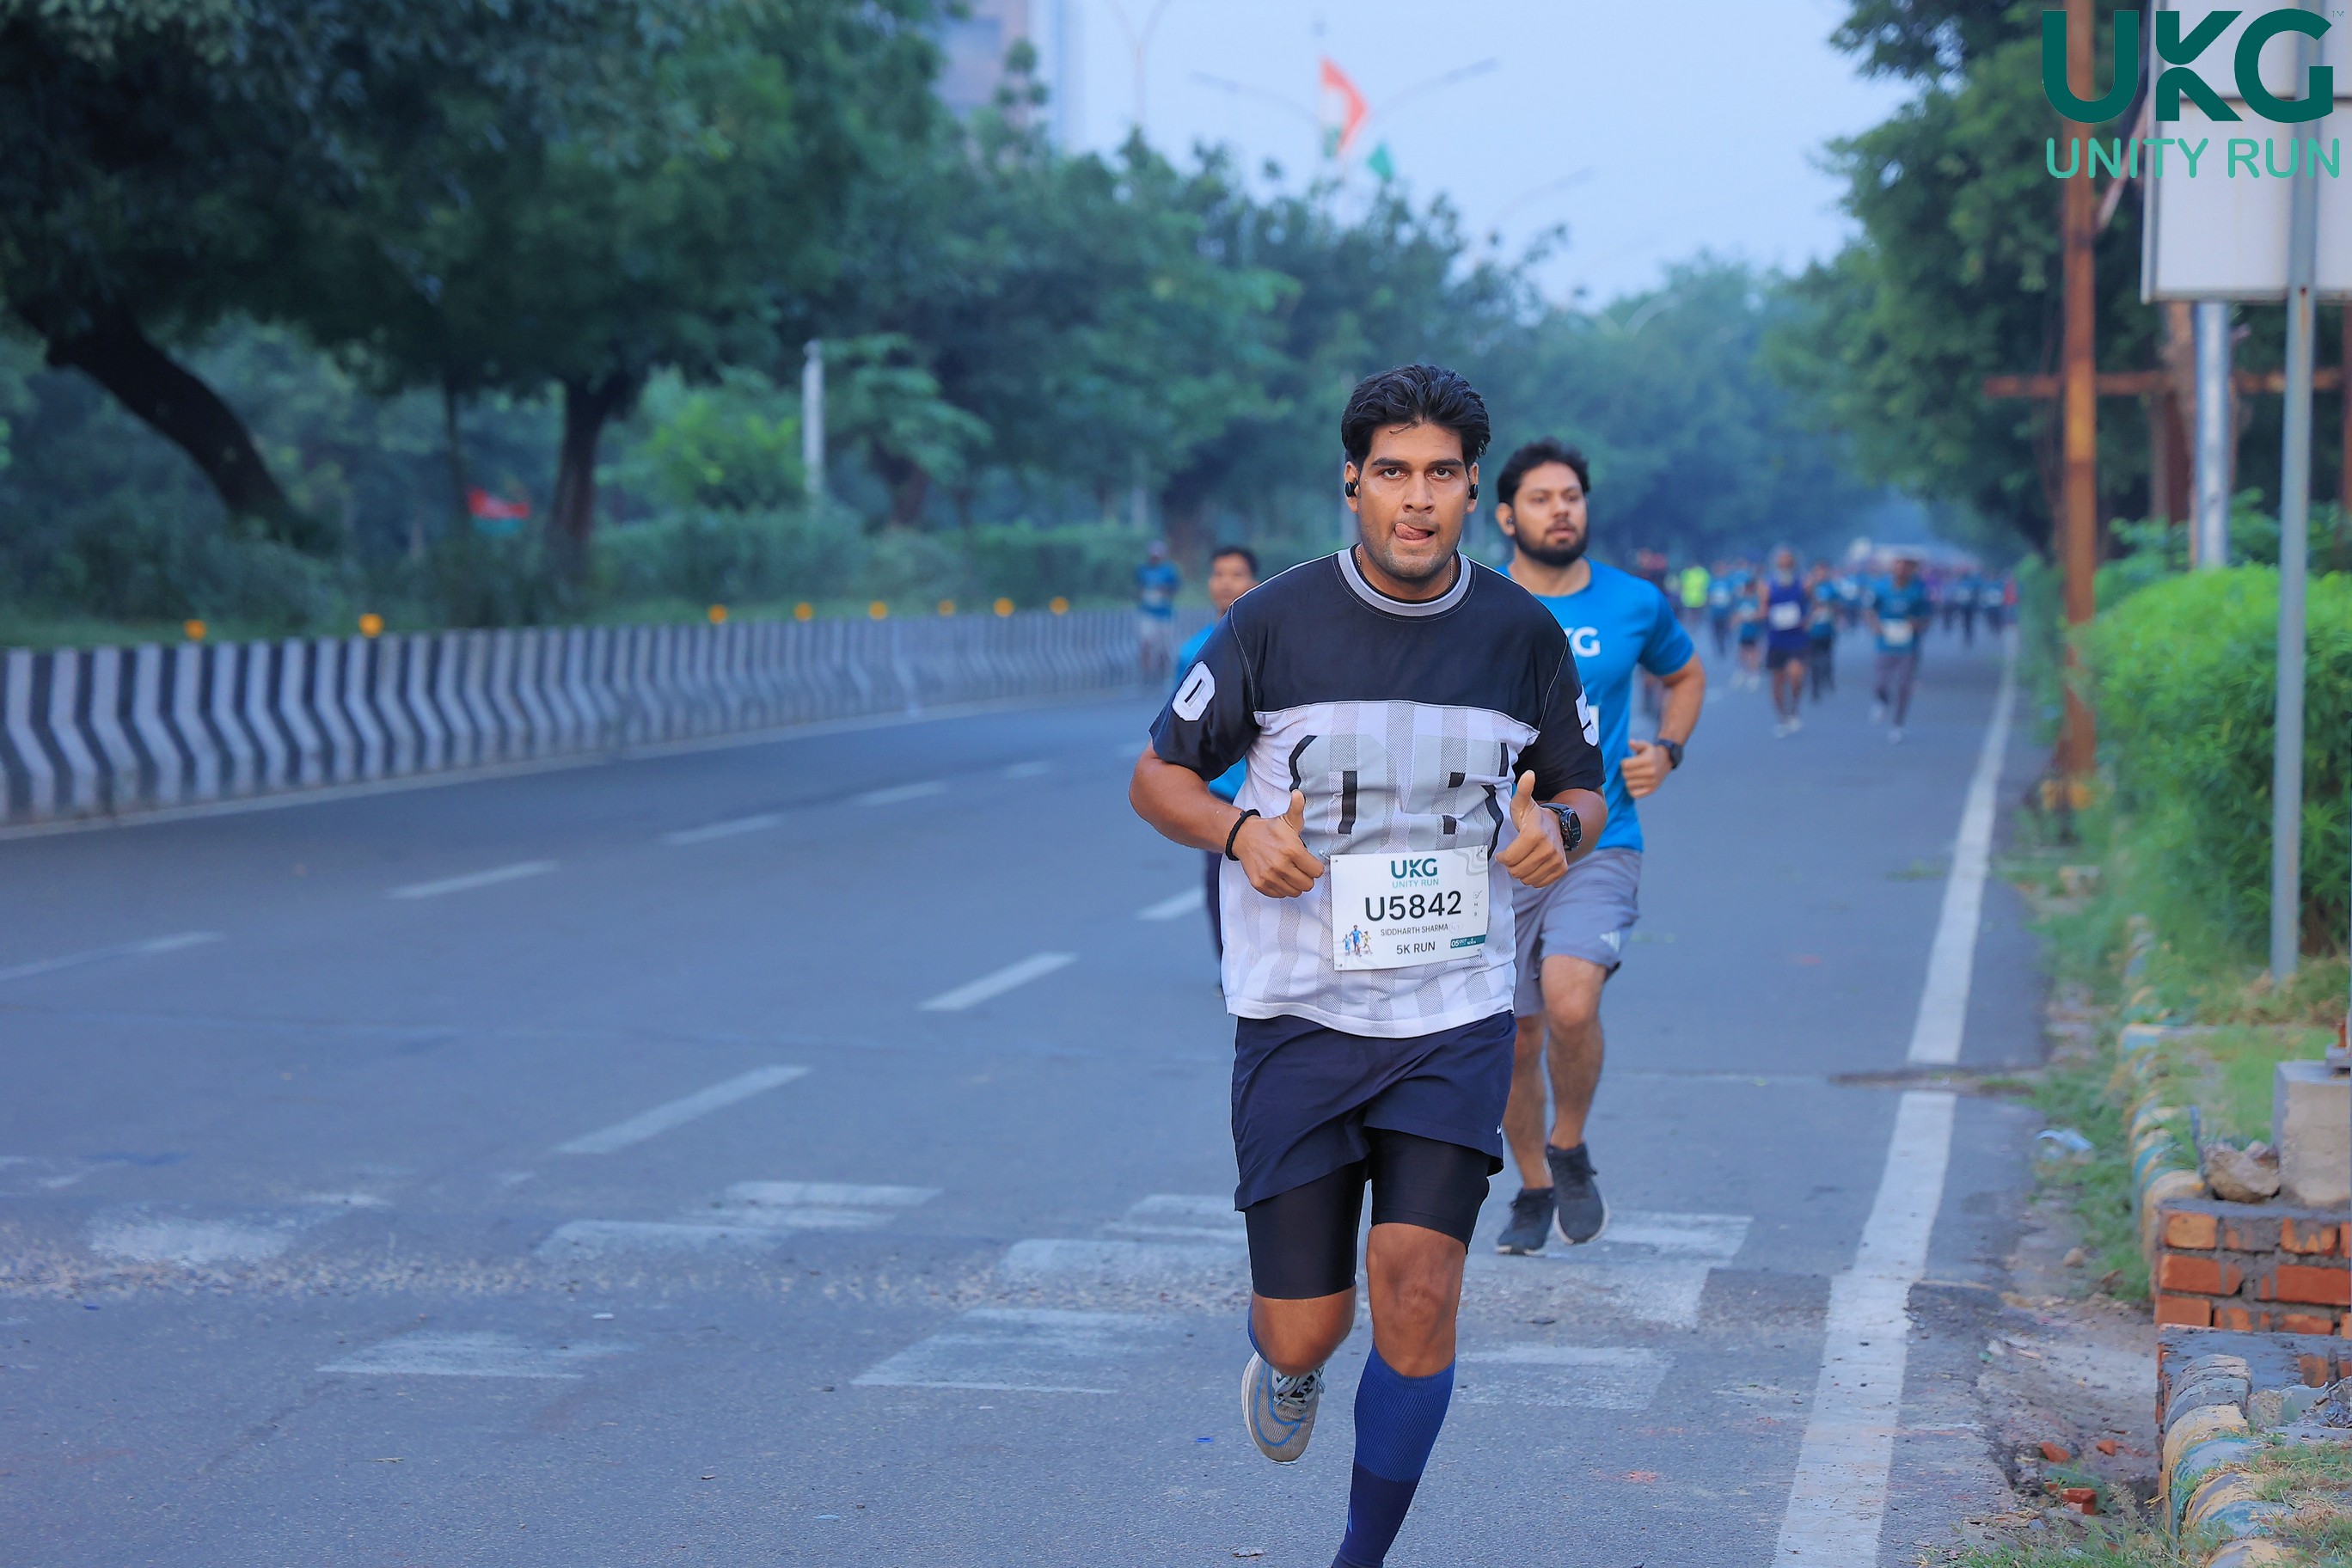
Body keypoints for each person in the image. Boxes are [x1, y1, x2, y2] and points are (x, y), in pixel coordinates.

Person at [1130, 364, 1606, 1568]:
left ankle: (1359, 1557)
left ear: (1472, 491)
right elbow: (1158, 776)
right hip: (1299, 1016)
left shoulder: (1522, 634)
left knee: (1420, 1290)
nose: (1417, 499)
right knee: (1307, 1328)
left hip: (1452, 1014)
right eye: (1393, 472)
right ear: (1353, 484)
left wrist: (1560, 830)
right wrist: (1240, 832)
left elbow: (1581, 792)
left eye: (1442, 474)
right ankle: (1288, 1367)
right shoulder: (1272, 623)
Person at [1485, 438, 1705, 1255]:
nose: (1560, 511)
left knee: (1571, 1003)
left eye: (1571, 496)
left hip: (1596, 838)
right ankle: (1534, 1185)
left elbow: (1685, 675)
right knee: (1515, 1037)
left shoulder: (1634, 603)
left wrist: (1668, 748)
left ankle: (1569, 1146)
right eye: (1541, 499)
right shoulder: (1474, 601)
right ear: (1507, 516)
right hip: (1496, 853)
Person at [1173, 545, 1262, 959]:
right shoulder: (1192, 652)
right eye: (1219, 574)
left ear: (1255, 583)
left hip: (1272, 788)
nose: (1226, 583)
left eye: (1237, 574)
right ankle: (1228, 968)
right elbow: (1179, 730)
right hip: (1221, 791)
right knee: (1217, 878)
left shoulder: (1271, 644)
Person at [1868, 555, 1932, 742]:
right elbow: (1870, 609)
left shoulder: (1918, 590)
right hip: (1885, 643)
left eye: (1907, 567)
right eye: (1899, 566)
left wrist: (1916, 624)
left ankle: (1898, 724)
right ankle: (1882, 700)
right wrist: (1875, 626)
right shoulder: (1881, 587)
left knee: (1904, 686)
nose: (1902, 571)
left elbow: (1927, 616)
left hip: (1908, 646)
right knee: (1880, 683)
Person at [1761, 546, 1809, 735]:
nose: (1785, 563)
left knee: (1796, 675)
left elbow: (1814, 604)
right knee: (1778, 681)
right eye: (1782, 560)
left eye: (1788, 560)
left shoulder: (1803, 583)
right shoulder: (1767, 585)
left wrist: (1809, 619)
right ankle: (1782, 717)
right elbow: (1763, 609)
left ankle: (1794, 709)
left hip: (1796, 638)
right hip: (1776, 639)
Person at [1136, 541, 1182, 680]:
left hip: (1164, 614)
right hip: (1147, 613)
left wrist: (1164, 592)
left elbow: (1176, 588)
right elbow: (1139, 587)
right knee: (1146, 642)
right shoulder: (1143, 570)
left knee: (1163, 647)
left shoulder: (1169, 571)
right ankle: (1146, 674)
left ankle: (1162, 675)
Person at [1804, 560, 1839, 702]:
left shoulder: (1831, 588)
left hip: (1827, 629)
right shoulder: (1809, 588)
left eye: (1823, 571)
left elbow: (1836, 606)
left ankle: (1828, 677)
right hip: (1812, 630)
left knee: (1826, 657)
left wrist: (1836, 619)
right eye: (1818, 572)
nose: (1821, 574)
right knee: (1813, 661)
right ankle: (1815, 688)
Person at [1705, 566, 1736, 660]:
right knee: (1717, 632)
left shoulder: (1728, 582)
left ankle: (1726, 644)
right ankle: (1720, 648)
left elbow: (1732, 596)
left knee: (1726, 631)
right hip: (1715, 613)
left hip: (1726, 612)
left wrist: (1732, 610)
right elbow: (1708, 596)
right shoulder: (1712, 582)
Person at [1678, 560, 1711, 636]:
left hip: (1697, 599)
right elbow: (1681, 585)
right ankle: (1692, 627)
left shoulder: (1701, 573)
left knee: (1695, 614)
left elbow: (1707, 585)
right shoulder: (1686, 573)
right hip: (1691, 599)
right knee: (1692, 614)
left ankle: (1694, 627)